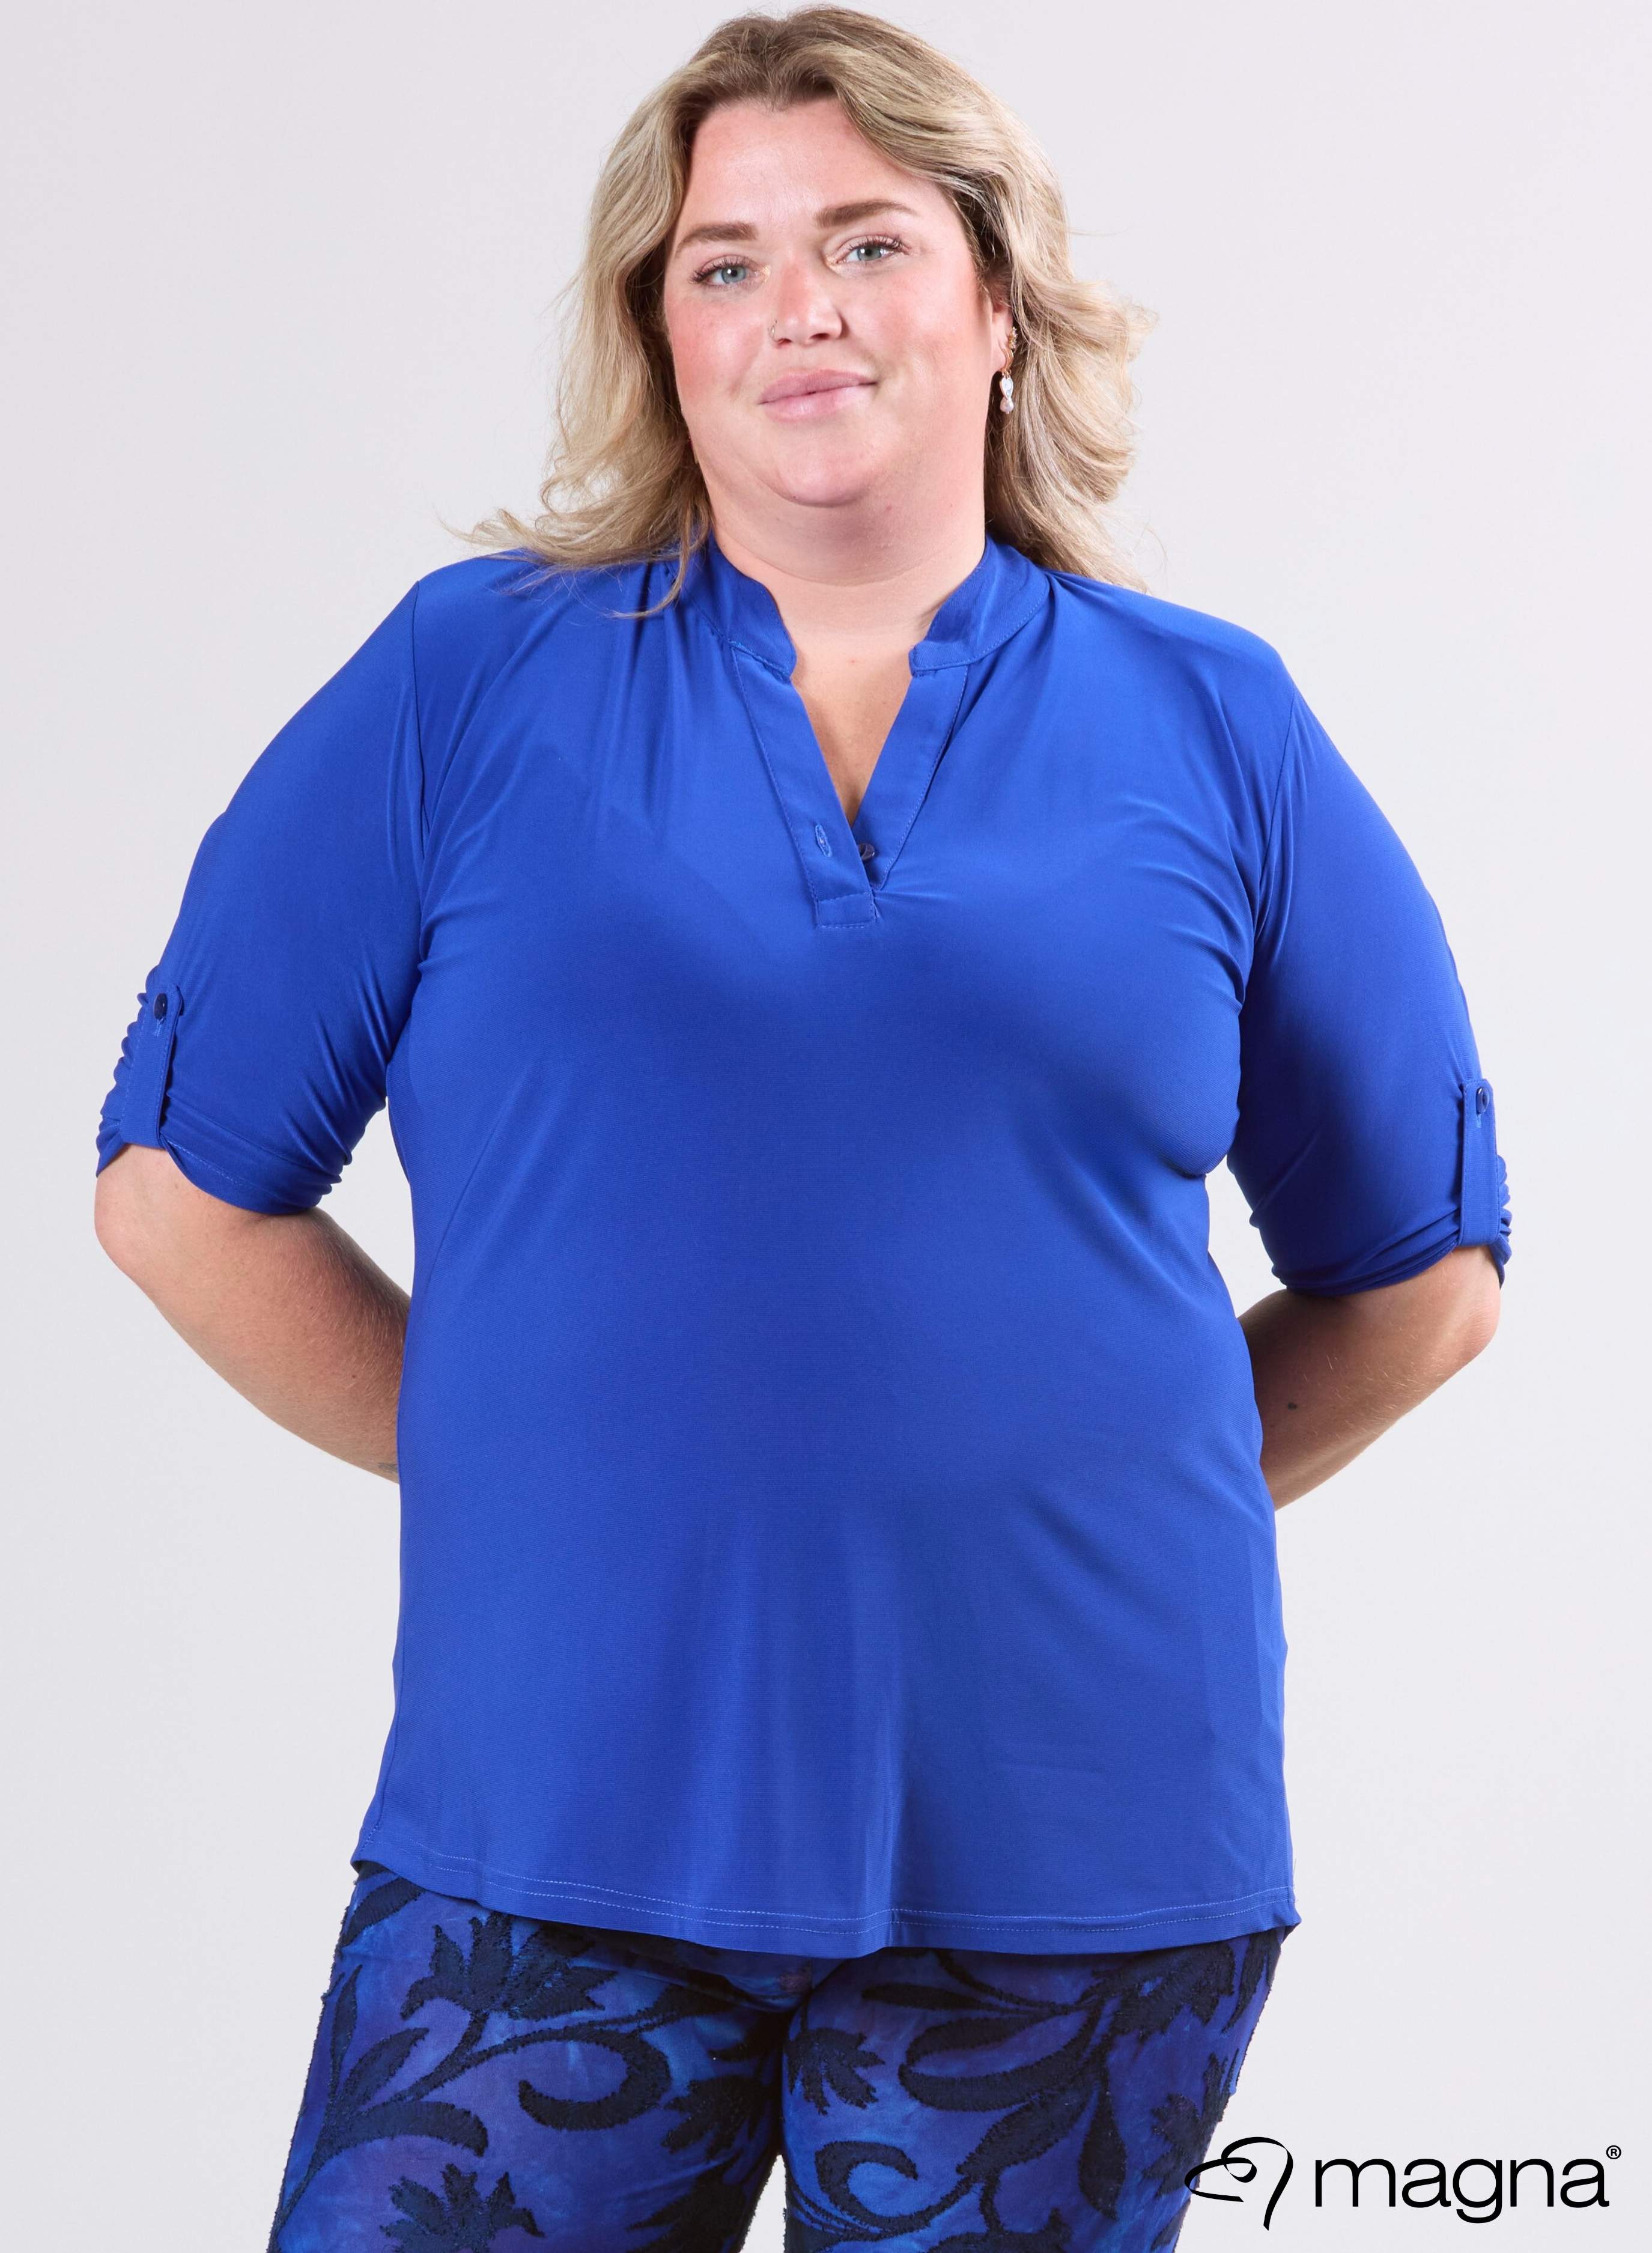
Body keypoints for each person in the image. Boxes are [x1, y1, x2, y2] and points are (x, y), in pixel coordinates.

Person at [92, 9, 1511, 2249]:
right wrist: (556, 1469)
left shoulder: (1214, 722)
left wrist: (1057, 1508)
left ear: (999, 301)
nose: (800, 308)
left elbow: (1423, 1278)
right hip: (555, 1818)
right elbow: (180, 1195)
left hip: (1077, 1853)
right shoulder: (467, 685)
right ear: (658, 337)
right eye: (726, 263)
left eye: (867, 240)